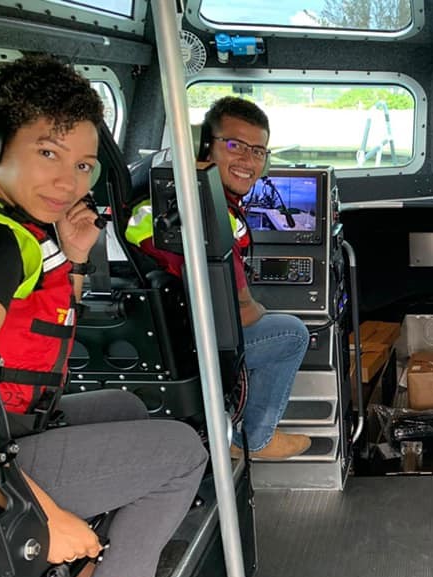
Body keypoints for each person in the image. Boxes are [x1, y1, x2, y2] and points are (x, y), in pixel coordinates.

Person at [0, 55, 208, 577]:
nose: (70, 183)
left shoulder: (10, 221)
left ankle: (87, 567)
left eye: (82, 165)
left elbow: (35, 326)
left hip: (9, 424)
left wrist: (74, 256)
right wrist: (38, 513)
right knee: (184, 452)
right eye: (47, 153)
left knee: (128, 408)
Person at [126, 97, 311, 460]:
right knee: (292, 333)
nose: (248, 160)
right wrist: (257, 305)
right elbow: (240, 313)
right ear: (202, 146)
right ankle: (254, 440)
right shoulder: (206, 212)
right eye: (234, 145)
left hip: (161, 333)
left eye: (257, 151)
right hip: (191, 346)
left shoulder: (155, 191)